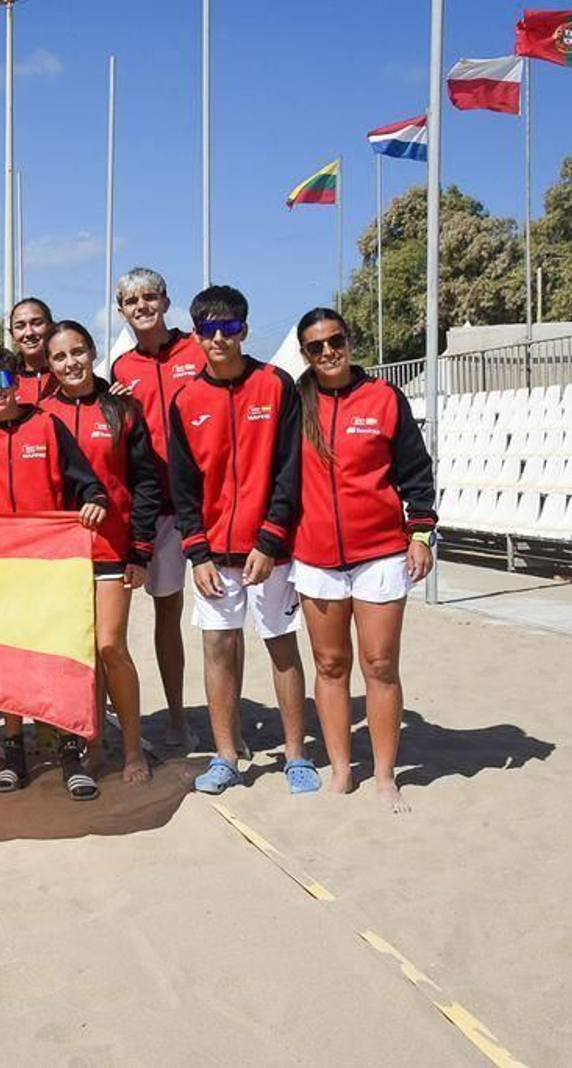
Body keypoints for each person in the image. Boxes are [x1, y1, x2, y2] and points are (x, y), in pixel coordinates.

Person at [166, 285, 315, 797]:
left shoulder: (275, 385)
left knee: (281, 646)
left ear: (244, 330)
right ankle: (226, 756)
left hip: (269, 552)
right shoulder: (185, 400)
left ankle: (296, 753)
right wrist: (196, 551)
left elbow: (289, 470)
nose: (218, 337)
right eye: (208, 328)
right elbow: (183, 487)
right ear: (196, 334)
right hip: (214, 557)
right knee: (218, 649)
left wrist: (271, 538)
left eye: (228, 327)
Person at [291, 308, 436, 813]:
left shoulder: (383, 398)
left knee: (379, 664)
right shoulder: (296, 403)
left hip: (380, 553)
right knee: (330, 664)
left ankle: (384, 775)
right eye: (316, 346)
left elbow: (416, 471)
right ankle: (340, 770)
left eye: (336, 340)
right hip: (315, 556)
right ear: (304, 354)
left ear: (349, 340)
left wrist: (421, 533)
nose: (328, 351)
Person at [0, 344, 109, 797]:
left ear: (18, 382)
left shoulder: (47, 425)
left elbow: (85, 480)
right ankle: (14, 754)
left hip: (50, 565)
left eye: (5, 380)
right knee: (10, 663)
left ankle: (69, 752)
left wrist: (95, 500)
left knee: (58, 660)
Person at [42, 320, 161, 787]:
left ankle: (133, 748)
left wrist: (141, 550)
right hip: (59, 555)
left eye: (77, 352)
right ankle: (92, 745)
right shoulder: (40, 413)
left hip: (112, 546)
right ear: (49, 365)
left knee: (110, 645)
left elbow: (146, 481)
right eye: (59, 357)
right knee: (80, 653)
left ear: (92, 353)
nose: (70, 363)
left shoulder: (123, 410)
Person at [107, 268, 206, 751]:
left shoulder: (199, 350)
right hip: (158, 509)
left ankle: (202, 717)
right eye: (131, 300)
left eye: (150, 297)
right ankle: (176, 716)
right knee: (166, 611)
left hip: (206, 505)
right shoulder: (121, 370)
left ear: (167, 302)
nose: (142, 305)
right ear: (120, 309)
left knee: (217, 622)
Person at [8, 297, 59, 405]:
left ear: (51, 327)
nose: (29, 333)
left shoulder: (68, 375)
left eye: (37, 323)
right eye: (20, 326)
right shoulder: (5, 380)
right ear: (12, 335)